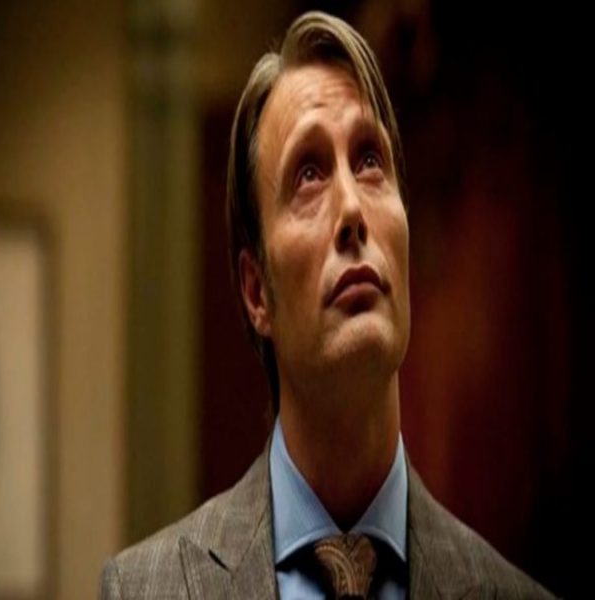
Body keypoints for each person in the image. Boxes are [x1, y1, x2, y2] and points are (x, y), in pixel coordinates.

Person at [100, 11, 557, 599]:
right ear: (256, 292)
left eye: (369, 161)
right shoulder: (144, 590)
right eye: (309, 174)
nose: (352, 210)